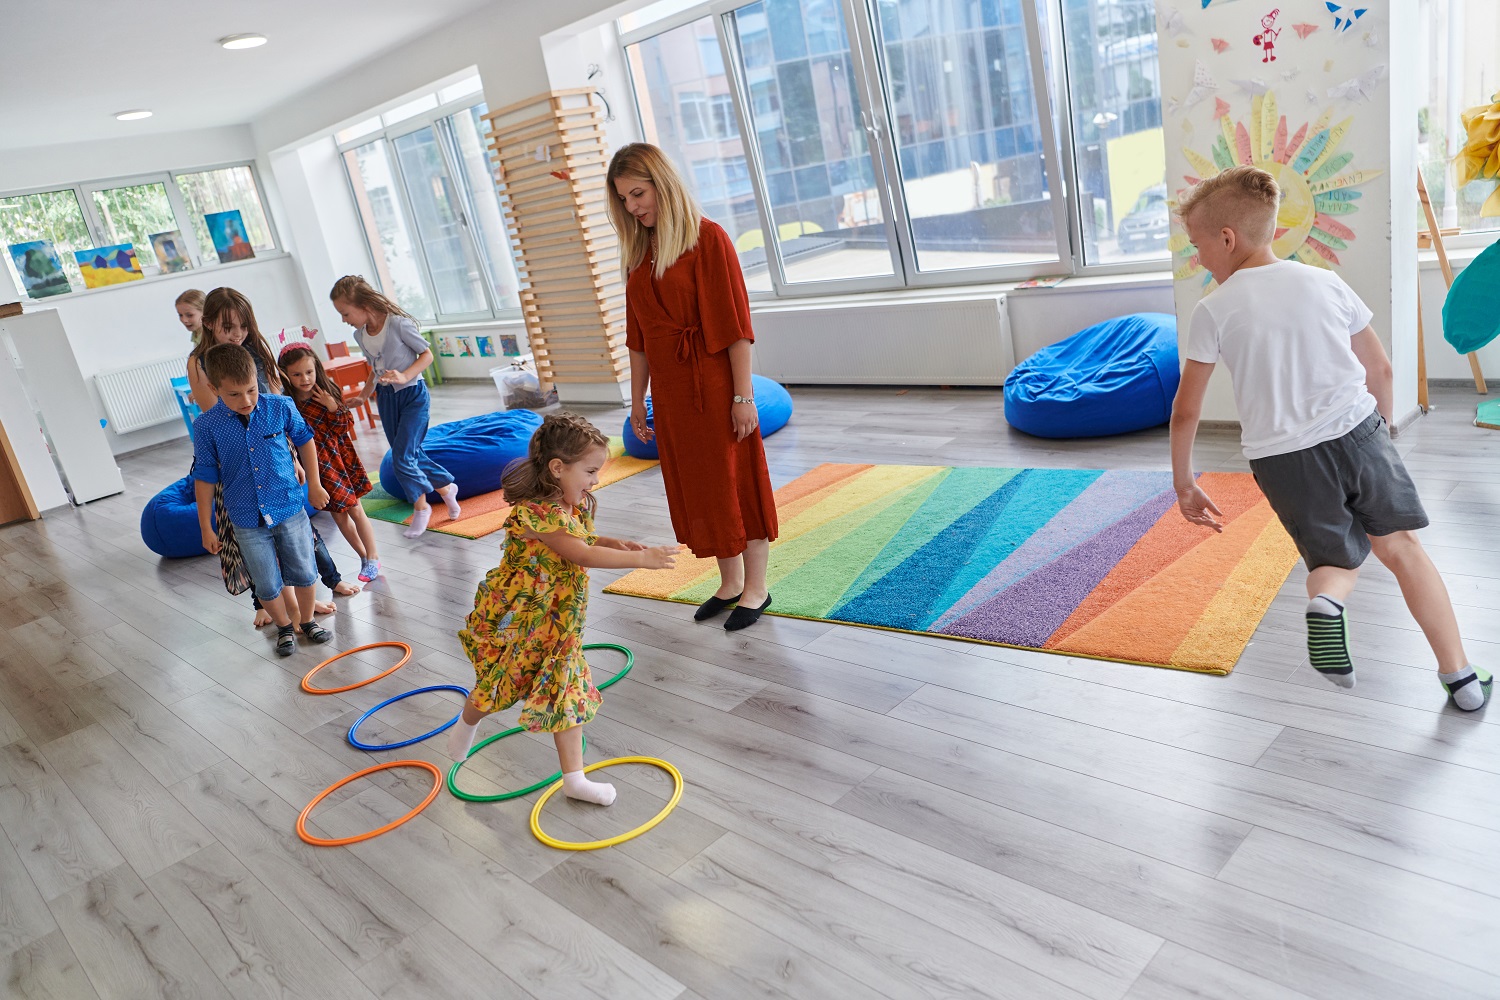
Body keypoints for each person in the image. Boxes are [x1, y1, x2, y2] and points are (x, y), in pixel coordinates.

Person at [1170, 165, 1491, 711]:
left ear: (1227, 239)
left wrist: (1184, 482)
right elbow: (1381, 369)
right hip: (1357, 432)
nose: (1197, 257)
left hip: (1281, 459)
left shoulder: (1213, 310)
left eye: (1197, 245)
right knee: (1402, 549)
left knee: (1334, 562)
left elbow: (1186, 409)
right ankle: (1460, 678)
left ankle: (1327, 604)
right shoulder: (1323, 281)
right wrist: (1383, 430)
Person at [447, 413, 678, 803]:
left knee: (566, 691)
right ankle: (465, 725)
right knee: (502, 686)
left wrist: (616, 542)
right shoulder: (537, 513)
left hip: (560, 624)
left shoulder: (573, 505)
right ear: (558, 467)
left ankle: (575, 781)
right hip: (524, 620)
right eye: (590, 471)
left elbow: (584, 538)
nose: (596, 481)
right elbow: (579, 551)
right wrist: (641, 562)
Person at [607, 143, 779, 631]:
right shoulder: (639, 253)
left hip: (714, 385)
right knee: (699, 489)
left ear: (663, 183)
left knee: (734, 481)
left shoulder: (709, 239)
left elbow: (736, 328)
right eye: (623, 199)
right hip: (671, 392)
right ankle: (728, 584)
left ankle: (757, 588)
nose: (632, 207)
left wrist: (742, 396)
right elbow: (638, 340)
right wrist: (638, 400)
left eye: (638, 193)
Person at [186, 288, 353, 625]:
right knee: (257, 545)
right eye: (228, 328)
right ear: (208, 325)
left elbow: (279, 412)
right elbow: (217, 418)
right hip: (234, 462)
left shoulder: (256, 354)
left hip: (273, 452)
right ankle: (280, 608)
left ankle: (313, 595)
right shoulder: (199, 363)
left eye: (243, 327)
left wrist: (290, 456)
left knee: (299, 535)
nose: (237, 335)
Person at [193, 343, 333, 657]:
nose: (245, 400)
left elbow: (305, 440)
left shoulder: (280, 406)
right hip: (245, 517)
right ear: (215, 389)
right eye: (233, 395)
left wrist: (314, 483)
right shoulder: (206, 426)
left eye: (251, 390)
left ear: (258, 379)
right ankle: (284, 627)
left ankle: (307, 621)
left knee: (304, 570)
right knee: (266, 581)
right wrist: (206, 526)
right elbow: (204, 476)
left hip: (289, 506)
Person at [330, 276, 460, 539]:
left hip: (413, 396)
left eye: (345, 313)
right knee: (410, 453)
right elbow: (374, 370)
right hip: (387, 398)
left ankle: (421, 507)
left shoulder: (398, 325)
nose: (344, 320)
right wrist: (365, 395)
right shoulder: (361, 335)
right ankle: (446, 487)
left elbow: (427, 355)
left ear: (363, 304)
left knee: (402, 457)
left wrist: (404, 375)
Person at [278, 342, 381, 582]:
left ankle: (373, 557)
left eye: (309, 372)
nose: (305, 378)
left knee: (355, 508)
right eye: (297, 374)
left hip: (340, 459)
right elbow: (289, 439)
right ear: (286, 375)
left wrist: (332, 405)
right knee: (339, 515)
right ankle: (364, 557)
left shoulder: (327, 391)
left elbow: (345, 426)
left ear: (317, 369)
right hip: (317, 466)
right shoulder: (287, 403)